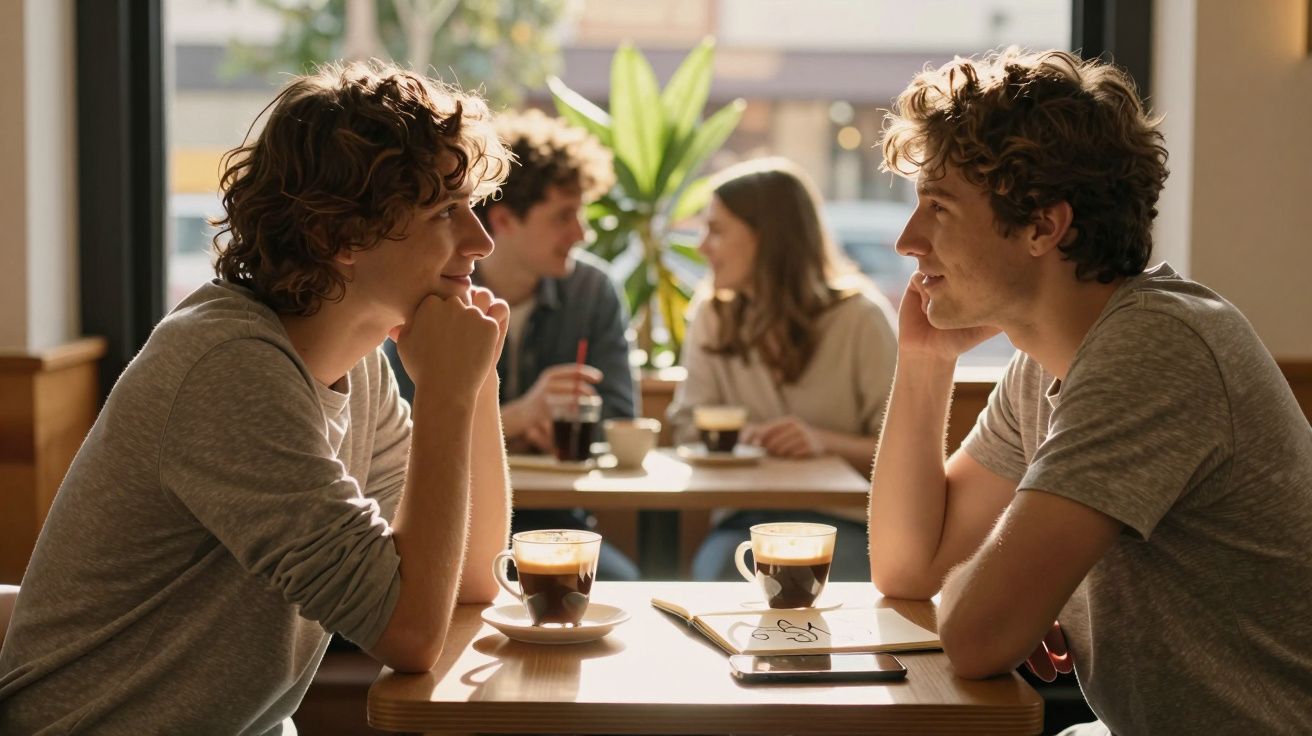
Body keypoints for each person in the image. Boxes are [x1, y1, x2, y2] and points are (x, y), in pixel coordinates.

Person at [0, 61, 514, 734]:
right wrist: (446, 394)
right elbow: (409, 633)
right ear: (339, 236)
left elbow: (473, 576)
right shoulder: (228, 367)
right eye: (446, 211)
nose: (481, 240)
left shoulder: (360, 367)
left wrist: (475, 384)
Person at [868, 48, 1312, 734]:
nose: (907, 240)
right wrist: (926, 360)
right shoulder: (1046, 365)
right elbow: (908, 568)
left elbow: (977, 634)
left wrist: (1009, 594)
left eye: (939, 207)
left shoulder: (1157, 349)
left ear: (1043, 226)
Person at [385, 109, 640, 581]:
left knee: (621, 583)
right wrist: (518, 418)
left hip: (561, 523)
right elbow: (400, 430)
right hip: (448, 521)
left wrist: (563, 423)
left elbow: (620, 417)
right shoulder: (433, 291)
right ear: (503, 219)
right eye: (564, 216)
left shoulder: (593, 292)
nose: (582, 233)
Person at [668, 157, 898, 582]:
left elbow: (901, 453)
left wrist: (821, 441)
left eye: (716, 230)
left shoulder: (861, 318)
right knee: (721, 575)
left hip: (840, 525)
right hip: (743, 523)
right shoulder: (713, 313)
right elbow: (686, 426)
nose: (701, 247)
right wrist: (744, 437)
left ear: (768, 237)